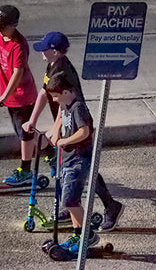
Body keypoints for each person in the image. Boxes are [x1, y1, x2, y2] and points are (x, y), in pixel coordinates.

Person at [23, 31, 125, 231]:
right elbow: (46, 92)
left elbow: (67, 106)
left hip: (76, 123)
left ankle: (106, 207)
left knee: (82, 168)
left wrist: (56, 130)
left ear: (54, 51)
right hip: (66, 121)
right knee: (70, 167)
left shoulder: (64, 73)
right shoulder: (53, 65)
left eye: (44, 49)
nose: (41, 53)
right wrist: (46, 125)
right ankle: (69, 206)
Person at [0, 4, 40, 185]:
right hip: (10, 96)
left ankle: (26, 171)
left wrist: (3, 97)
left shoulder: (19, 45)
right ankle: (50, 152)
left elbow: (17, 74)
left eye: (3, 26)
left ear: (14, 25)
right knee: (25, 131)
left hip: (22, 96)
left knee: (25, 134)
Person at [46, 72, 100, 253]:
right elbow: (61, 117)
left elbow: (85, 131)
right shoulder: (66, 105)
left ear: (67, 92)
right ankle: (78, 233)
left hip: (79, 160)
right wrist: (55, 133)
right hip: (68, 160)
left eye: (55, 96)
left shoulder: (78, 108)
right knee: (69, 199)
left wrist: (65, 141)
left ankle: (88, 234)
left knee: (69, 200)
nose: (54, 100)